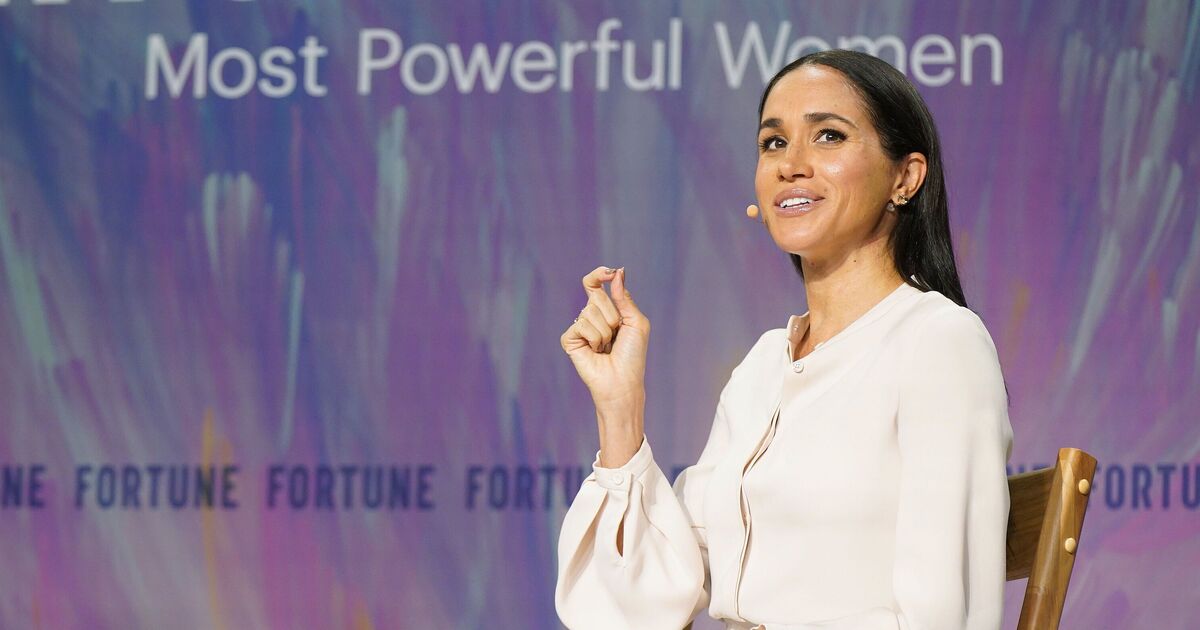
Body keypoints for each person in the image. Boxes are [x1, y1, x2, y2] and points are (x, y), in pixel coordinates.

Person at [555, 49, 1014, 630]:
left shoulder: (939, 343)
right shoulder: (762, 367)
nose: (791, 164)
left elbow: (938, 617)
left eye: (828, 136)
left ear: (905, 177)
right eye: (773, 143)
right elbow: (649, 607)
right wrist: (620, 407)